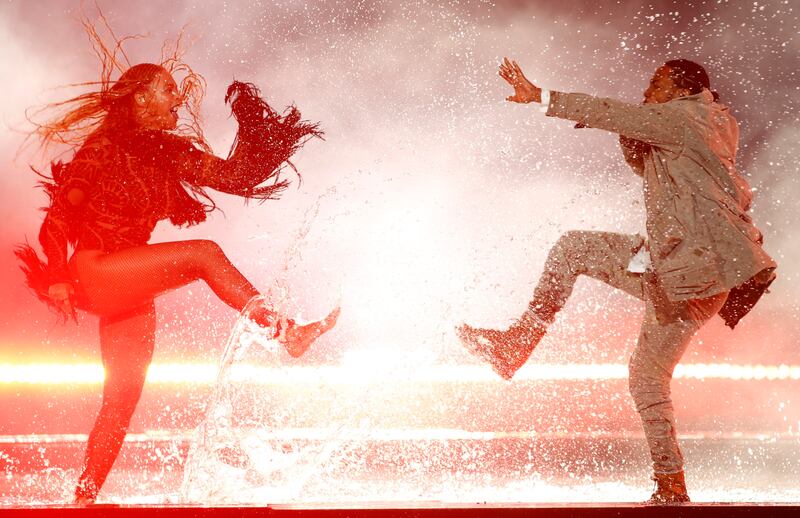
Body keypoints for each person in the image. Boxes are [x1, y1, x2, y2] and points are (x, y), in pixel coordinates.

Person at [16, 53, 339, 503]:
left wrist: (254, 124)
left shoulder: (171, 152)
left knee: (121, 401)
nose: (179, 97)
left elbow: (235, 175)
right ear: (141, 97)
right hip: (95, 272)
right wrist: (56, 278)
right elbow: (57, 221)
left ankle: (82, 500)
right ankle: (285, 332)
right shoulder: (103, 147)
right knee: (205, 254)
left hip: (127, 285)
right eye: (168, 89)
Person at [457, 58, 776, 504]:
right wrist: (631, 132)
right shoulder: (707, 123)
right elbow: (651, 170)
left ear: (681, 88)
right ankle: (518, 342)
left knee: (646, 380)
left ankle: (671, 485)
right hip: (676, 264)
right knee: (574, 249)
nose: (647, 87)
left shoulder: (685, 118)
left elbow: (613, 112)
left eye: (655, 82)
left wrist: (542, 97)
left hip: (691, 277)